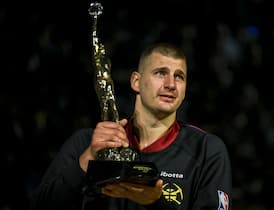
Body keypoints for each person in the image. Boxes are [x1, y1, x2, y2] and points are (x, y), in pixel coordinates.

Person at [30, 42, 232, 210]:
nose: (171, 84)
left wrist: (154, 202)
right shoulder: (86, 143)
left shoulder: (206, 151)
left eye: (179, 76)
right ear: (136, 81)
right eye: (160, 73)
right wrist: (87, 161)